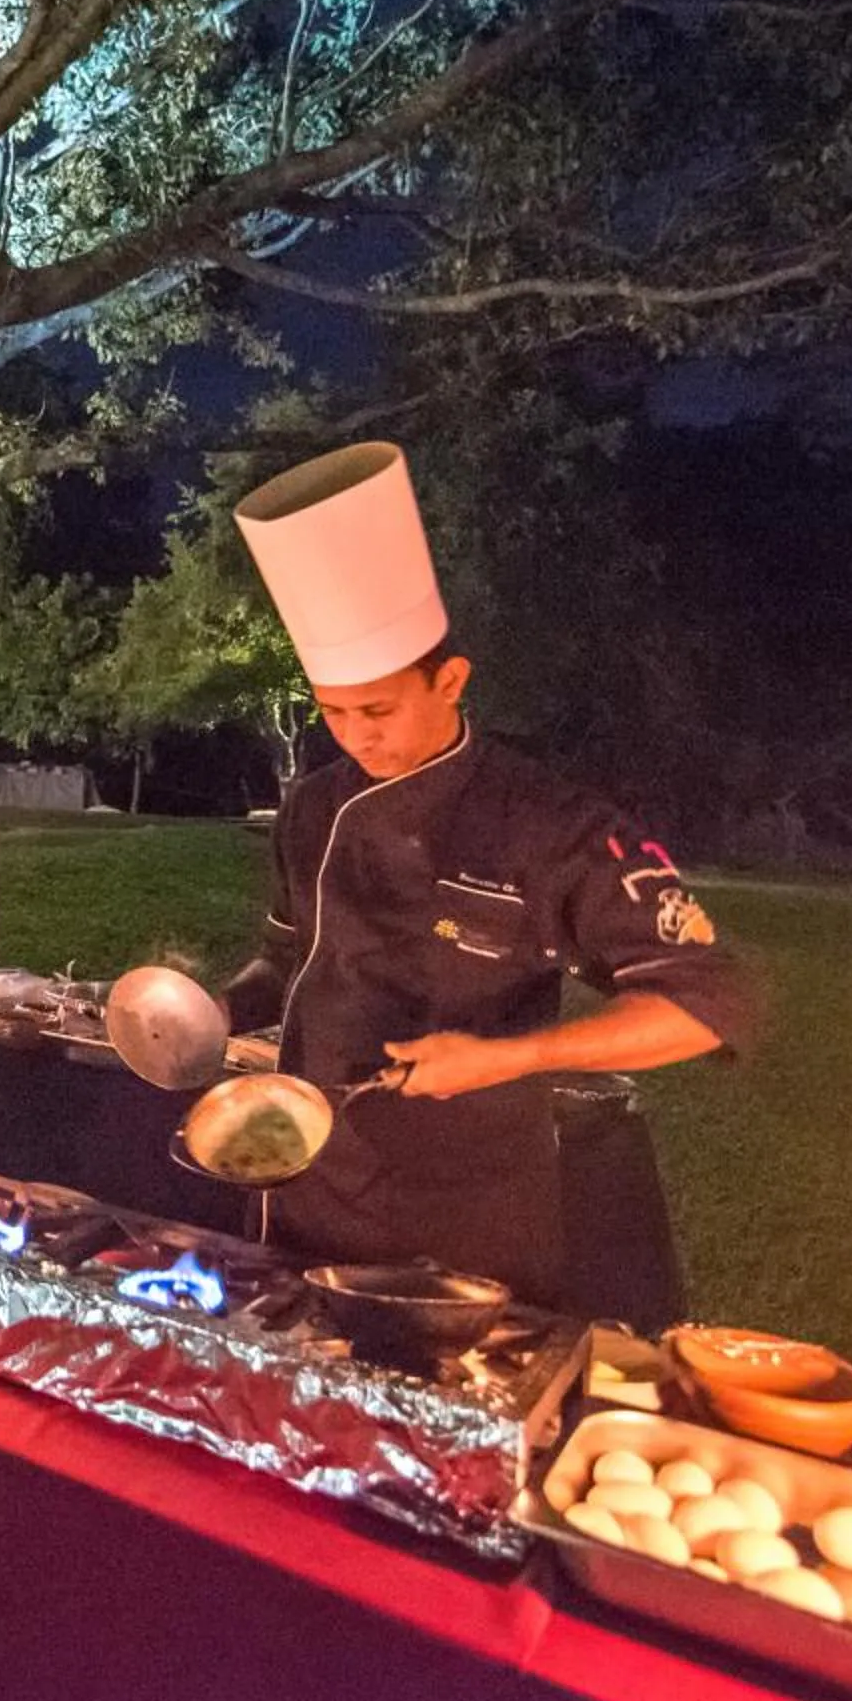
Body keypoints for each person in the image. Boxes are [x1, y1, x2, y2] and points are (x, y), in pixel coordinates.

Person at [214, 444, 761, 1326]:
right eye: (333, 710)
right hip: (301, 1187)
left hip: (462, 1216)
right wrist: (216, 1014)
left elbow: (715, 1001)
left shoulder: (546, 823)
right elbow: (287, 956)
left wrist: (507, 1058)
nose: (355, 737)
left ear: (452, 682)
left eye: (379, 710)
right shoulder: (314, 807)